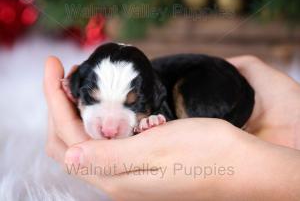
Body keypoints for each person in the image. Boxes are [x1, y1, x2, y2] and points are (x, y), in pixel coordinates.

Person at [44, 55, 300, 201]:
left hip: (209, 82)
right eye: (93, 100)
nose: (108, 127)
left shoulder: (158, 91)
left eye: (131, 106)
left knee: (189, 97)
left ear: (152, 96)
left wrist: (244, 167)